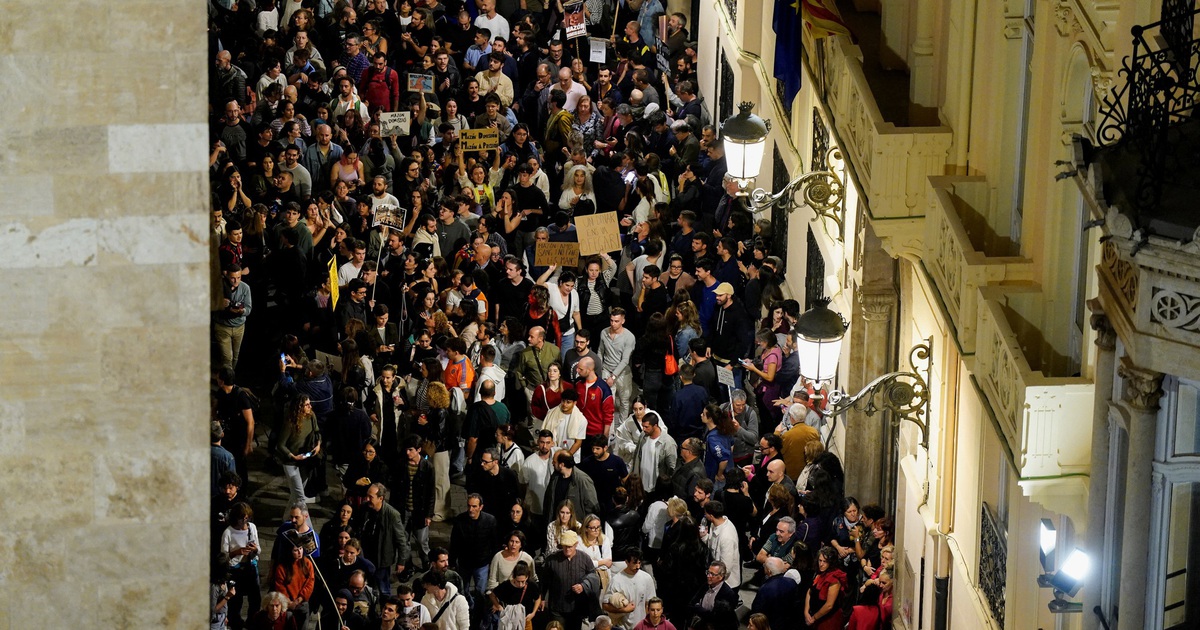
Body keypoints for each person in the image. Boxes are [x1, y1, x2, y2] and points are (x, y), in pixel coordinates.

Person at [357, 483, 411, 596]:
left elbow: (401, 540)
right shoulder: (364, 508)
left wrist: (401, 561)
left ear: (380, 498)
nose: (367, 499)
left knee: (384, 589)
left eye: (371, 497)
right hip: (366, 554)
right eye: (367, 495)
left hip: (381, 558)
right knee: (368, 586)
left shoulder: (392, 515)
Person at [449, 493, 499, 603]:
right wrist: (452, 562)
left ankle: (478, 611)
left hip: (482, 564)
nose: (471, 509)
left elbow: (494, 543)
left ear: (481, 507)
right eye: (469, 506)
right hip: (464, 563)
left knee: (480, 591)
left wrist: (492, 562)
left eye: (474, 506)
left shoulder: (490, 521)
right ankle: (470, 607)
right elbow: (454, 543)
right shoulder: (459, 520)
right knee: (463, 590)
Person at [542, 530, 597, 629]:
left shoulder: (585, 558)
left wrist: (583, 586)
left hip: (576, 607)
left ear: (576, 544)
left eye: (570, 546)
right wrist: (541, 598)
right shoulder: (552, 560)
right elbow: (544, 581)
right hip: (557, 606)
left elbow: (593, 576)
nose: (567, 549)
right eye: (565, 546)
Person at [604, 549, 657, 629]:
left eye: (639, 563)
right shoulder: (616, 580)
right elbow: (605, 605)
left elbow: (650, 603)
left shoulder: (647, 578)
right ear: (626, 562)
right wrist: (624, 610)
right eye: (634, 563)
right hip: (622, 627)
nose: (638, 566)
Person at [544, 450, 600, 519]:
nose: (552, 463)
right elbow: (548, 500)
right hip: (556, 524)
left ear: (562, 465)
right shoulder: (555, 477)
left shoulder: (583, 480)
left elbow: (592, 506)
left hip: (575, 526)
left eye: (554, 462)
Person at [489, 561, 542, 630]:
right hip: (509, 621)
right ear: (514, 577)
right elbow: (492, 594)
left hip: (525, 620)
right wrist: (498, 606)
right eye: (518, 581)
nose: (520, 584)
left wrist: (533, 613)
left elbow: (538, 598)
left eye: (523, 581)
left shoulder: (531, 585)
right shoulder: (506, 585)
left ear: (527, 577)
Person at [806, 546, 848, 630]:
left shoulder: (834, 579)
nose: (821, 564)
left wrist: (814, 618)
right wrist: (806, 611)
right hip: (814, 615)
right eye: (820, 560)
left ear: (831, 562)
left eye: (825, 561)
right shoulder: (818, 572)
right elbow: (810, 591)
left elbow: (829, 605)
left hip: (828, 619)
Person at [688, 560, 739, 629]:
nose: (708, 576)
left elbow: (717, 618)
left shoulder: (728, 594)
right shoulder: (706, 585)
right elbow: (692, 604)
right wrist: (705, 613)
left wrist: (698, 608)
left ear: (721, 576)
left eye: (712, 574)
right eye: (708, 572)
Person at [750, 557, 798, 630]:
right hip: (787, 623)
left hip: (770, 624)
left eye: (764, 566)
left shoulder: (765, 589)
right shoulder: (792, 582)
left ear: (769, 571)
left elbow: (757, 610)